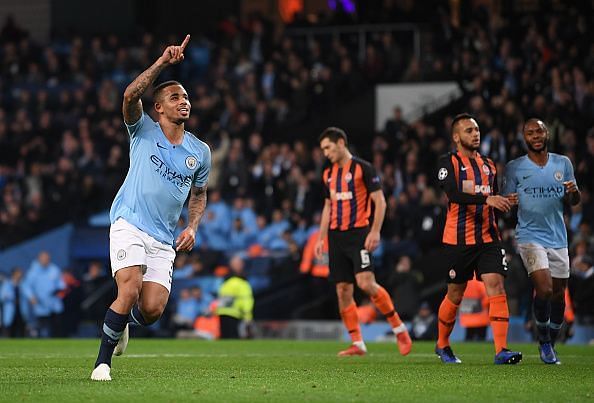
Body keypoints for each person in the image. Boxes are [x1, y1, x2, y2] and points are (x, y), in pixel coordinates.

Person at [91, 35, 211, 381]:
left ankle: (124, 321)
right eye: (175, 97)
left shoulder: (199, 151)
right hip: (129, 222)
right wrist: (161, 63)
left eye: (186, 96)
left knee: (153, 309)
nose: (183, 101)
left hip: (163, 237)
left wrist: (192, 227)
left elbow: (199, 194)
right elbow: (130, 95)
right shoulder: (142, 129)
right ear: (158, 107)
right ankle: (102, 364)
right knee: (128, 288)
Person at [315, 127, 412, 357]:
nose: (325, 153)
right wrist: (321, 238)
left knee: (366, 283)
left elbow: (380, 202)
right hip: (336, 237)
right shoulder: (328, 174)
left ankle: (399, 329)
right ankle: (358, 343)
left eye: (328, 147)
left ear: (340, 143)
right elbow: (328, 206)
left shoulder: (363, 168)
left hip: (359, 233)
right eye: (323, 149)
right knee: (343, 289)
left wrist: (375, 231)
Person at [434, 113, 521, 365]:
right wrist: (488, 199)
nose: (475, 134)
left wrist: (503, 201)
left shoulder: (489, 165)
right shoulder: (447, 162)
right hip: (458, 240)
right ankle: (442, 344)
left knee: (496, 285)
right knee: (455, 294)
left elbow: (490, 198)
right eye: (469, 130)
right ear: (456, 136)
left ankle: (501, 350)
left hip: (488, 237)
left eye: (477, 130)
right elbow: (452, 193)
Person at [503, 118, 581, 364]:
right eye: (530, 132)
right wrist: (509, 202)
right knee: (545, 288)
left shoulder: (563, 163)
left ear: (547, 134)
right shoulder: (514, 167)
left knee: (558, 295)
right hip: (529, 236)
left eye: (539, 131)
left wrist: (573, 193)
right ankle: (544, 341)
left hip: (558, 237)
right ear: (523, 138)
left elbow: (573, 200)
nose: (535, 135)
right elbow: (504, 202)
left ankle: (552, 341)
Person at [22, 251, 66, 338]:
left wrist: (59, 290)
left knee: (55, 327)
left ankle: (55, 345)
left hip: (54, 304)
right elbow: (26, 286)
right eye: (44, 258)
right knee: (42, 326)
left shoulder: (54, 269)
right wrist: (31, 297)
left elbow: (61, 284)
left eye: (48, 259)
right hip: (40, 304)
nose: (46, 260)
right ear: (39, 259)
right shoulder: (33, 271)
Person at [215, 255, 254, 339]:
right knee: (232, 340)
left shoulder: (226, 282)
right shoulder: (241, 282)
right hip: (232, 313)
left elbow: (246, 300)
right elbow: (247, 300)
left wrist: (247, 316)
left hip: (226, 313)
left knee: (227, 339)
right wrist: (248, 316)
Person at [1, 267, 30, 337]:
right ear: (14, 274)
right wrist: (11, 298)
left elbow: (29, 294)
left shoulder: (23, 284)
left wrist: (32, 298)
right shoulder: (7, 284)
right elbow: (2, 296)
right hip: (10, 311)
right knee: (10, 331)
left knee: (22, 330)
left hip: (21, 311)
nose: (20, 275)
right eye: (18, 273)